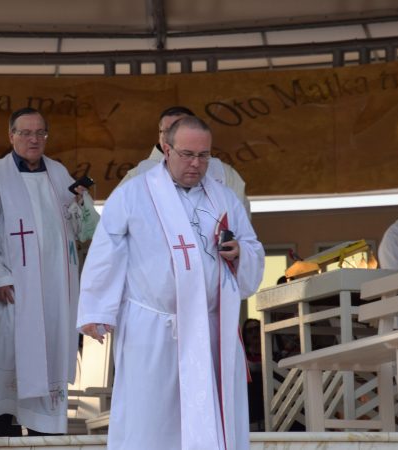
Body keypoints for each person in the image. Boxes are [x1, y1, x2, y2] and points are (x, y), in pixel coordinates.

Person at [77, 116, 264, 449]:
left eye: (204, 155)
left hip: (210, 328)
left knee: (210, 416)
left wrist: (240, 255)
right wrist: (97, 309)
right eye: (187, 154)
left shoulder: (224, 197)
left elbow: (251, 246)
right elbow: (108, 250)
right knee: (151, 421)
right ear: (166, 149)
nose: (196, 163)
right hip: (154, 328)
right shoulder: (134, 192)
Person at [0, 108, 99, 435]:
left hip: (56, 287)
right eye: (25, 133)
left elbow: (81, 229)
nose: (33, 139)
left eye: (40, 133)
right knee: (11, 355)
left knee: (50, 355)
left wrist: (81, 203)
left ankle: (46, 434)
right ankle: (2, 433)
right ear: (11, 136)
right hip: (14, 287)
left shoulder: (58, 172)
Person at [117, 105, 251, 216]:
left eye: (180, 128)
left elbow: (241, 221)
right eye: (167, 130)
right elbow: (117, 222)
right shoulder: (139, 175)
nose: (172, 135)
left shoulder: (223, 173)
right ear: (160, 134)